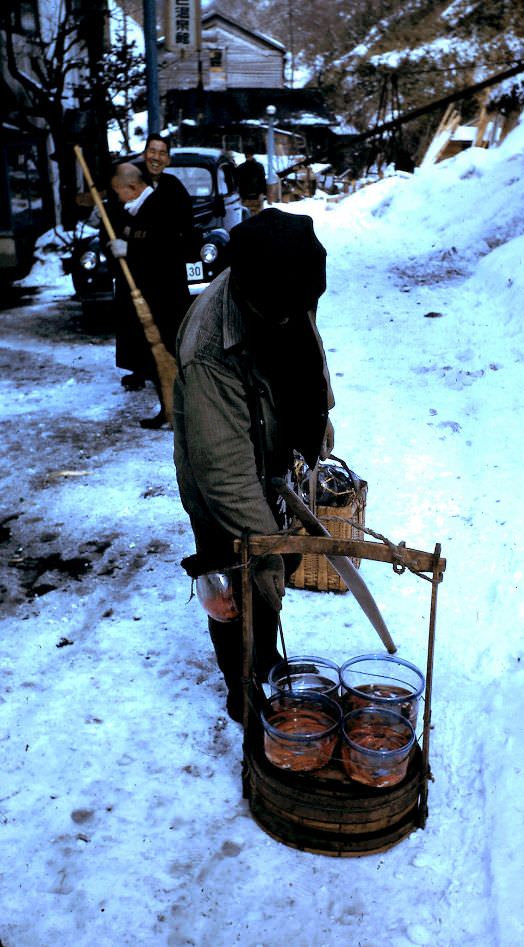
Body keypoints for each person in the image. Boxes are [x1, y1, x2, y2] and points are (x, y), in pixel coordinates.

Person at [173, 208, 335, 721]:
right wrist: (266, 559)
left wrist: (319, 416)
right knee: (234, 581)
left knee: (272, 563)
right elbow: (224, 472)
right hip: (218, 474)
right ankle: (241, 685)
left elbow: (308, 346)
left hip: (266, 450)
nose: (294, 315)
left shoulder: (284, 286)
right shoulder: (209, 348)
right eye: (284, 310)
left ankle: (265, 656)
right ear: (253, 293)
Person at [107, 162, 192, 427]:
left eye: (119, 192)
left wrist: (130, 250)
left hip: (166, 300)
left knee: (171, 357)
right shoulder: (134, 209)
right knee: (157, 360)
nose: (117, 197)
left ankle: (184, 412)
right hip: (149, 300)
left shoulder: (160, 206)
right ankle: (168, 409)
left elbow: (167, 250)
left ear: (132, 188)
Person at [117, 134, 196, 394]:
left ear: (168, 159)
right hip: (137, 269)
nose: (156, 157)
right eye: (152, 151)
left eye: (162, 153)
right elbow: (115, 218)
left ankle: (172, 366)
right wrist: (117, 242)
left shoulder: (174, 187)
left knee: (168, 319)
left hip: (165, 270)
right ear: (144, 153)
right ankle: (139, 368)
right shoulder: (130, 182)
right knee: (136, 320)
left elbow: (183, 227)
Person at [236, 149, 267, 216]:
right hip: (247, 196)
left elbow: (262, 180)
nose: (248, 156)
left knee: (255, 217)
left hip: (255, 196)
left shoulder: (258, 167)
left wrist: (262, 193)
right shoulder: (241, 168)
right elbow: (238, 183)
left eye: (248, 155)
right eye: (247, 155)